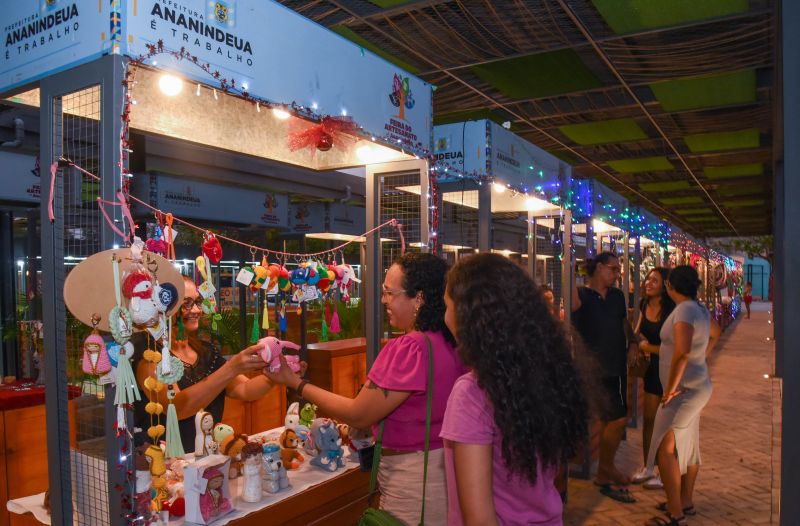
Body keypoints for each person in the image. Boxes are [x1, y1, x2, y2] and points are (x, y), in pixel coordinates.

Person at [266, 253, 465, 525]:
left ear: (418, 298)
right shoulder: (450, 343)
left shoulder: (410, 349)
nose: (384, 300)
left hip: (414, 483)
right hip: (448, 472)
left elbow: (359, 413)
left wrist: (296, 383)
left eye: (389, 293)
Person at [440, 254, 588, 525]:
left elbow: (479, 519)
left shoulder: (472, 394)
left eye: (447, 305)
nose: (444, 314)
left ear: (466, 315)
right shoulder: (544, 372)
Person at [133, 275, 275, 453]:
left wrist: (275, 373)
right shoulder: (150, 355)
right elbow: (176, 407)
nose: (196, 310)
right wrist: (232, 368)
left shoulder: (206, 351)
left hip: (208, 455)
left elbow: (246, 390)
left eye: (197, 302)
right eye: (186, 303)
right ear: (162, 307)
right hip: (168, 463)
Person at [644, 266, 721, 526]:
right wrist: (702, 358)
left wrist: (671, 389)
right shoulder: (698, 309)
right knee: (687, 446)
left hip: (683, 390)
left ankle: (675, 514)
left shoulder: (686, 310)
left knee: (665, 450)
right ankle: (685, 501)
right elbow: (716, 332)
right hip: (695, 385)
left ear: (670, 286)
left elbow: (682, 352)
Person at [571, 251, 639, 503]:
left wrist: (632, 341)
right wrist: (571, 264)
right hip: (590, 370)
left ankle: (605, 468)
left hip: (616, 366)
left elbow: (623, 322)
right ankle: (600, 469)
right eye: (613, 269)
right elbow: (570, 301)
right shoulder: (582, 295)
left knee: (618, 419)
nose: (617, 273)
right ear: (599, 268)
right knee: (600, 419)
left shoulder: (618, 296)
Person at [631, 268, 676, 490]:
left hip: (669, 370)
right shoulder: (642, 305)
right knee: (649, 419)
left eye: (655, 280)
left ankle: (664, 470)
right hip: (652, 369)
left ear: (665, 285)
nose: (648, 282)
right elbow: (636, 331)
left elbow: (675, 347)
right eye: (648, 278)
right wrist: (637, 342)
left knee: (667, 424)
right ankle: (649, 466)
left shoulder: (672, 310)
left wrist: (648, 346)